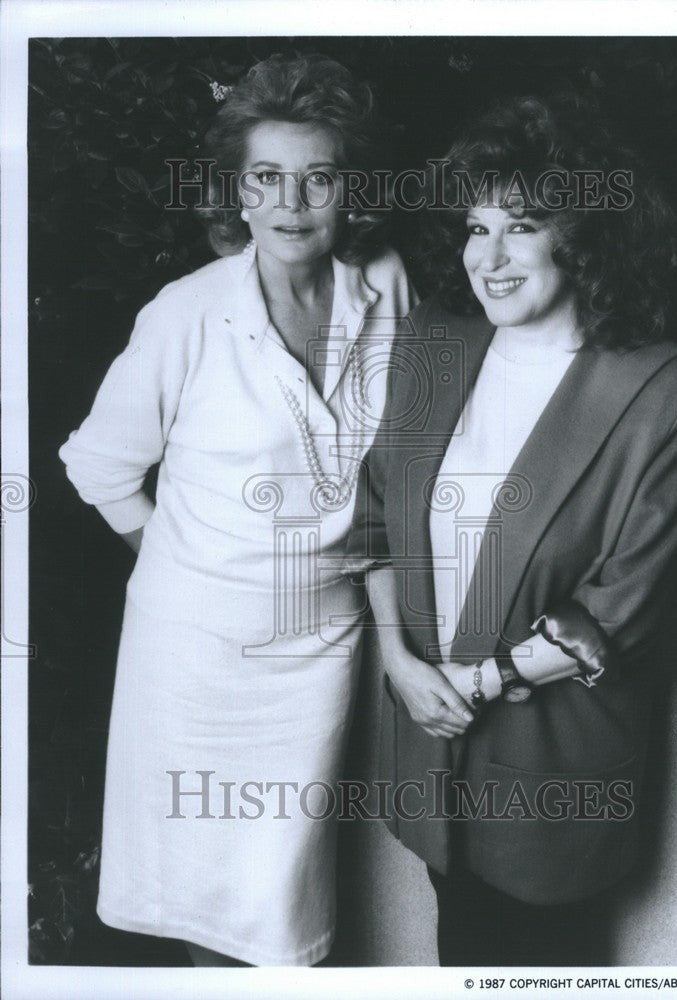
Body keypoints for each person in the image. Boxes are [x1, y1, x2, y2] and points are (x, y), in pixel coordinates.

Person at [347, 93, 677, 966]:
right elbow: (373, 518)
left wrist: (469, 685)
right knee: (460, 957)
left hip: (557, 765)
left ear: (586, 234)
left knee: (545, 967)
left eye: (522, 224)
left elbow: (624, 603)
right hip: (426, 746)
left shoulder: (667, 388)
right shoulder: (430, 342)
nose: (492, 256)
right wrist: (399, 663)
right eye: (476, 228)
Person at [59, 52, 414, 967]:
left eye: (319, 177)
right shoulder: (186, 312)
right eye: (267, 177)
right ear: (238, 192)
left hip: (324, 646)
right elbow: (97, 464)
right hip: (193, 661)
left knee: (285, 909)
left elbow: (399, 462)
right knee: (208, 899)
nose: (292, 201)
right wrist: (173, 559)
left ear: (350, 189)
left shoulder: (387, 287)